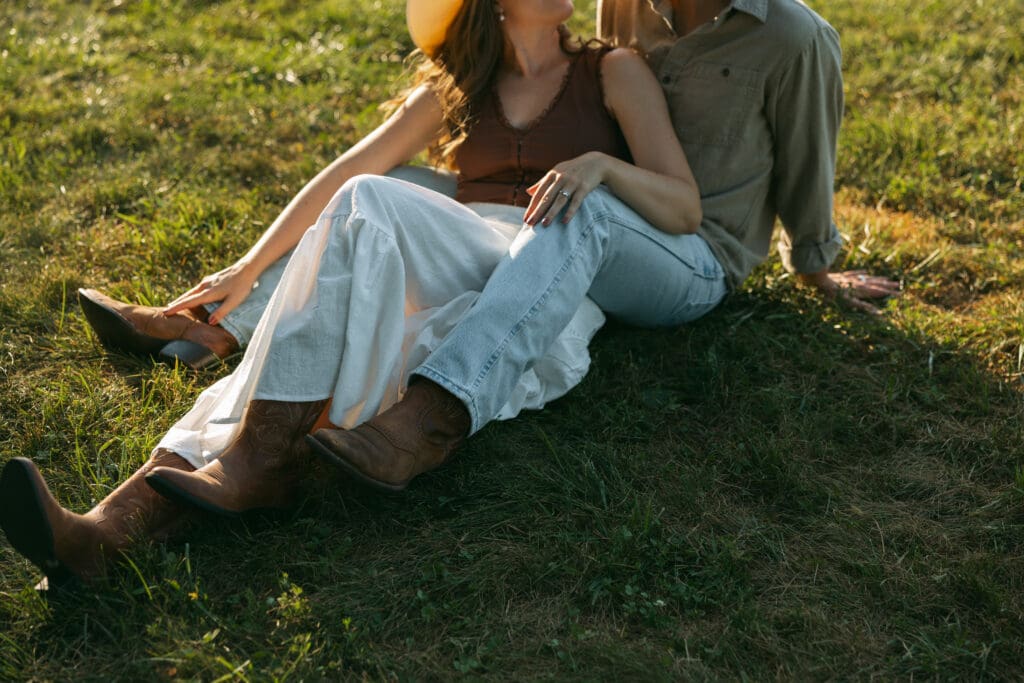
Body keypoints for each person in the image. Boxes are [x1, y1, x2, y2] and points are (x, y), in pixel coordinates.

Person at [0, 0, 707, 588]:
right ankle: (106, 530)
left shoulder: (612, 70)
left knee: (378, 277)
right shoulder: (463, 83)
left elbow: (682, 206)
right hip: (462, 242)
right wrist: (248, 268)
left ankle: (257, 462)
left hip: (550, 268)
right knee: (359, 217)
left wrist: (598, 167)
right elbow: (349, 169)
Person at [596, 0, 902, 311]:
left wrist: (815, 271)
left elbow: (807, 164)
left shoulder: (796, 37)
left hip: (705, 250)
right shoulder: (623, 5)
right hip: (614, 214)